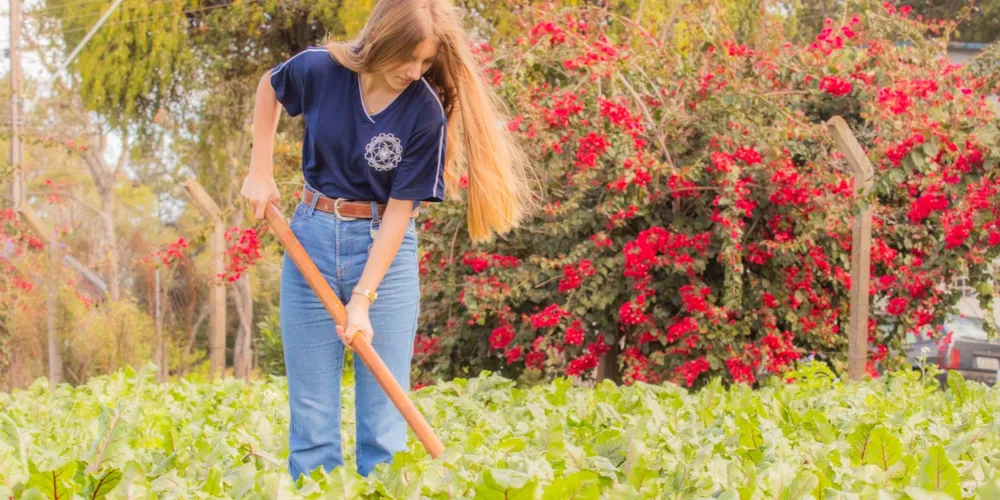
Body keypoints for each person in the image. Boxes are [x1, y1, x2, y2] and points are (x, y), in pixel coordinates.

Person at [239, 0, 540, 481]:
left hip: (384, 251)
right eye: (407, 57)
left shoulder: (424, 112)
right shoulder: (320, 70)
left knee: (383, 426)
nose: (415, 71)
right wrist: (260, 170)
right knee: (312, 418)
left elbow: (401, 213)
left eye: (426, 61)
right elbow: (269, 88)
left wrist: (362, 299)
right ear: (380, 41)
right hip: (310, 237)